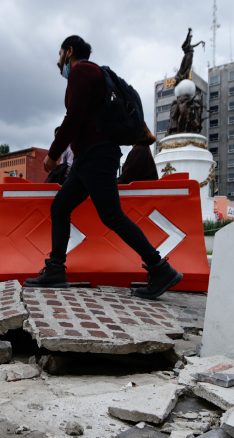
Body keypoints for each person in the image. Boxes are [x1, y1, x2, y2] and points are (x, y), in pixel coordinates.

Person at [24, 35, 182, 300]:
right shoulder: (93, 74)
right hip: (89, 157)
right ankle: (55, 269)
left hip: (96, 155)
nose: (58, 61)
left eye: (60, 55)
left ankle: (160, 268)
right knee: (61, 206)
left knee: (111, 215)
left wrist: (53, 154)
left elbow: (73, 117)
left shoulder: (82, 71)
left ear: (69, 51)